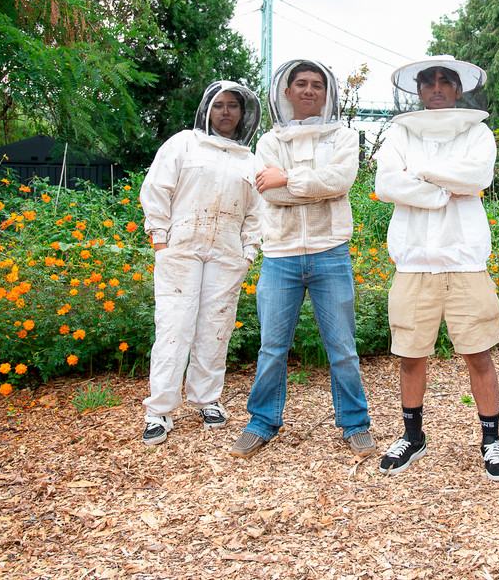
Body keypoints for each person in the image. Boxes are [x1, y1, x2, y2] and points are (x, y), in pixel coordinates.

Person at [374, 56, 499, 481]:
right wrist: (440, 190)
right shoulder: (400, 132)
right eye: (428, 81)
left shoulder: (477, 131)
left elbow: (476, 177)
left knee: (478, 353)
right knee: (411, 355)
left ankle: (491, 439)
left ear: (457, 88)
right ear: (418, 90)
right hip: (413, 261)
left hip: (464, 260)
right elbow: (385, 184)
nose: (436, 87)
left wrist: (418, 173)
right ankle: (412, 437)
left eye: (445, 81)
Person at [230, 59, 375, 459]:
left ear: (327, 94)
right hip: (281, 254)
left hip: (331, 252)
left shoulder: (343, 137)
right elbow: (269, 192)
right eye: (301, 84)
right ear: (287, 92)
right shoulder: (269, 143)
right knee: (272, 347)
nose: (309, 90)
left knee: (342, 346)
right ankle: (261, 422)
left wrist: (289, 179)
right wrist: (307, 185)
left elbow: (339, 181)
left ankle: (355, 424)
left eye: (317, 85)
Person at [139, 80, 263, 446]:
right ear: (207, 109)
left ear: (243, 114)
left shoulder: (249, 159)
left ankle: (207, 399)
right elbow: (157, 188)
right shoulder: (183, 144)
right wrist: (159, 238)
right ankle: (159, 410)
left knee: (217, 325)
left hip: (227, 252)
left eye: (233, 106)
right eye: (219, 105)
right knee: (174, 323)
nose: (226, 112)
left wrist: (248, 251)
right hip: (181, 247)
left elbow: (257, 211)